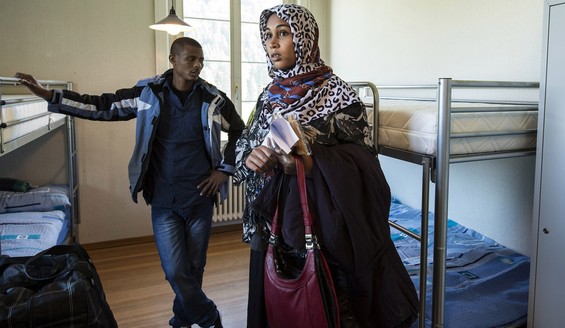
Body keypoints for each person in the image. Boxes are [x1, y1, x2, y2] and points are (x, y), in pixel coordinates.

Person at [15, 37, 245, 328]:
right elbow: (101, 106)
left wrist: (224, 169)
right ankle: (209, 316)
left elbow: (240, 131)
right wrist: (50, 96)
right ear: (173, 60)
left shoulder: (213, 99)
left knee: (194, 269)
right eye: (190, 59)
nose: (197, 65)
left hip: (200, 198)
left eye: (201, 60)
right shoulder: (147, 94)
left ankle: (181, 321)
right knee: (175, 270)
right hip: (163, 199)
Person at [233, 4, 420, 327]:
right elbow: (241, 150)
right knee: (279, 305)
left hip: (322, 228)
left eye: (283, 33)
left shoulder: (338, 93)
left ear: (304, 38)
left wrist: (310, 165)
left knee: (322, 307)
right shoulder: (268, 97)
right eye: (267, 36)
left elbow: (364, 162)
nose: (273, 44)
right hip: (271, 224)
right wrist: (251, 159)